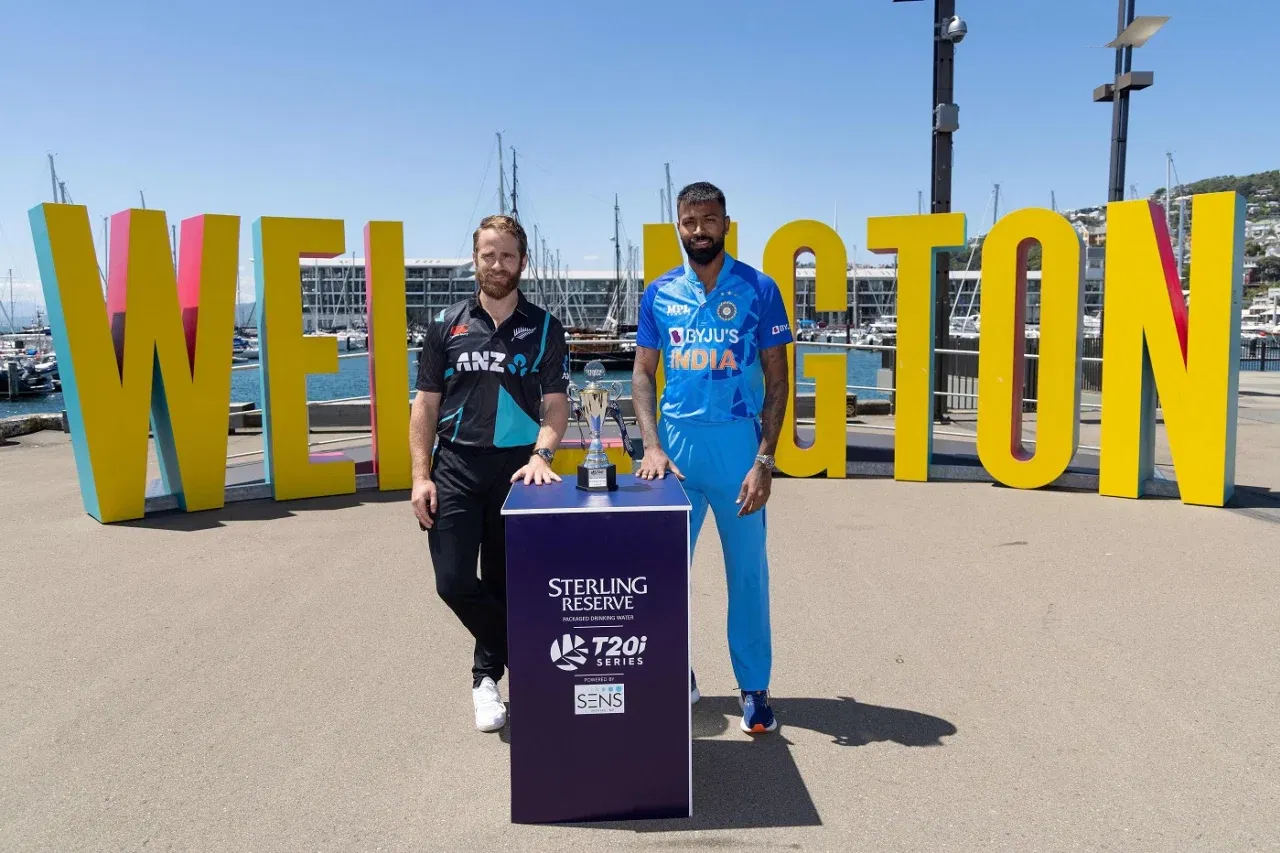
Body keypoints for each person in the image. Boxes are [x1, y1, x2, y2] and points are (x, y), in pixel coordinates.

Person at [631, 181, 792, 734]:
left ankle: (754, 689)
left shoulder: (759, 288)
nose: (698, 231)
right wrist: (652, 445)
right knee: (662, 575)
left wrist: (764, 460)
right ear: (679, 227)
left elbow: (777, 379)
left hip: (737, 450)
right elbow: (644, 374)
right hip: (676, 452)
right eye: (688, 222)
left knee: (747, 575)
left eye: (708, 220)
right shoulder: (659, 293)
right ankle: (677, 672)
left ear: (726, 223)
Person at [409, 214, 570, 733]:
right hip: (454, 467)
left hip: (519, 472)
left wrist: (541, 456)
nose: (497, 264)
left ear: (522, 262)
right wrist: (420, 475)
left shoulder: (545, 327)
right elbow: (425, 406)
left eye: (507, 255)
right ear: (475, 259)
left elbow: (557, 405)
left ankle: (485, 680)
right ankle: (528, 651)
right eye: (488, 255)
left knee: (504, 582)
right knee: (453, 582)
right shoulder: (444, 325)